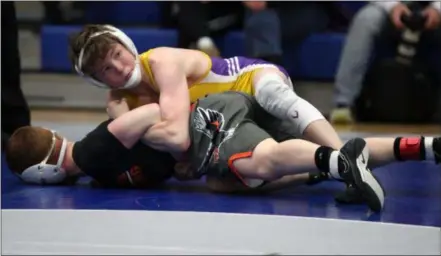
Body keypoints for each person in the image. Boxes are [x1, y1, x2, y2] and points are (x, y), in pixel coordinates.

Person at [68, 24, 344, 154]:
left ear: (126, 43)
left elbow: (176, 138)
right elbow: (178, 148)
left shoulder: (160, 61)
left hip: (250, 82)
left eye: (117, 54)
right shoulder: (119, 101)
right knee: (226, 178)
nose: (120, 68)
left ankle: (345, 158)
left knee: (273, 94)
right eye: (106, 69)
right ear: (97, 81)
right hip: (229, 123)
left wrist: (128, 123)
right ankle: (326, 168)